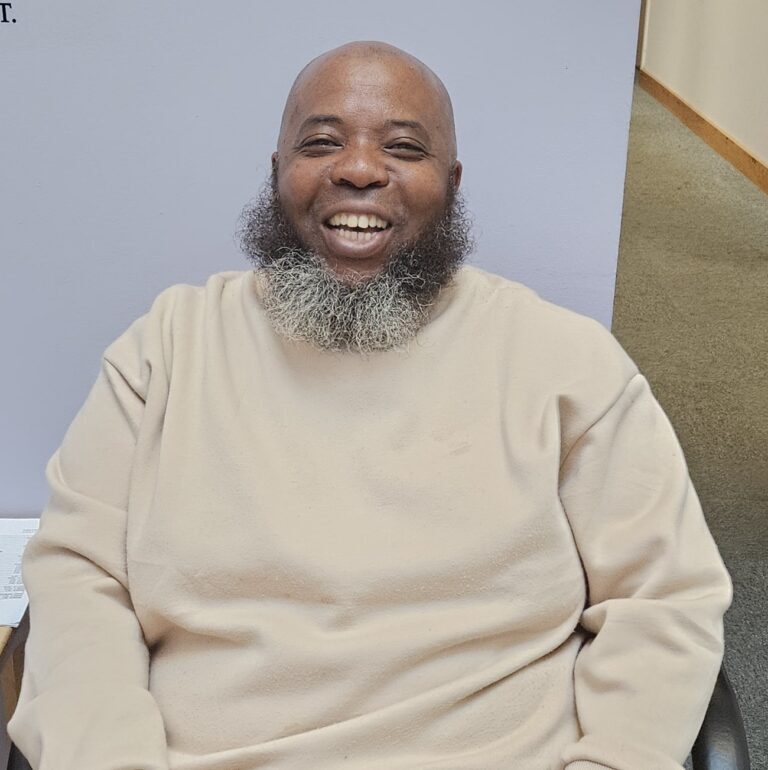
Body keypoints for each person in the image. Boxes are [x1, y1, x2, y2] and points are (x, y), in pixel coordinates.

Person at [8, 41, 731, 770]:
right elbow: (79, 582)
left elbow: (663, 599)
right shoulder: (167, 349)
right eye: (321, 143)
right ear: (277, 171)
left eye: (403, 148)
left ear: (451, 183)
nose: (358, 169)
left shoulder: (566, 363)